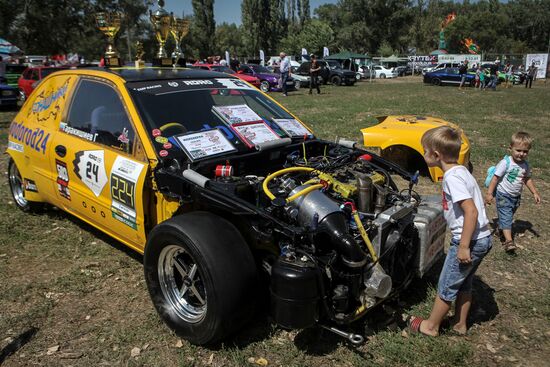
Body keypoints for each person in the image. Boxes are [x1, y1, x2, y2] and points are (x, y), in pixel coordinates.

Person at [408, 126, 492, 337]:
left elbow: (470, 211)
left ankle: (431, 326)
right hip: (482, 238)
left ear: (436, 155)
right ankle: (459, 324)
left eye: (424, 150)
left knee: (447, 285)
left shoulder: (452, 178)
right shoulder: (462, 170)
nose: (423, 153)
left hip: (469, 240)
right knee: (464, 282)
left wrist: (463, 246)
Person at [485, 132, 541, 252]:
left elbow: (527, 179)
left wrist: (534, 192)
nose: (521, 154)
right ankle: (508, 242)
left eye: (525, 151)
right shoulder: (506, 163)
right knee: (506, 217)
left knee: (508, 215)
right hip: (503, 195)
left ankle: (501, 229)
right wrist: (490, 193)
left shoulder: (525, 165)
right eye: (518, 150)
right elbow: (495, 178)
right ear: (510, 148)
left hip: (515, 196)